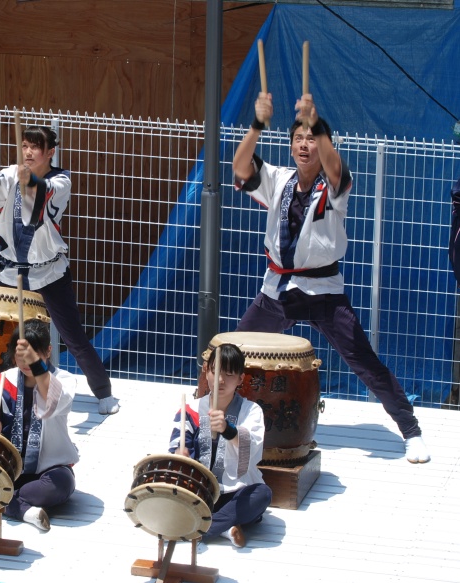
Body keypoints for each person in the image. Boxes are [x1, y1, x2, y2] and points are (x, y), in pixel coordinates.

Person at [231, 91, 430, 464]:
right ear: (290, 145)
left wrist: (317, 122)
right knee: (234, 353)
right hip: (278, 290)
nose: (305, 145)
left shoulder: (333, 186)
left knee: (365, 362)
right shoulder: (278, 179)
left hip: (324, 292)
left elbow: (335, 167)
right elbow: (240, 166)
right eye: (298, 138)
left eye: (311, 138)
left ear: (322, 144)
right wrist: (257, 124)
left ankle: (411, 430)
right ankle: (213, 421)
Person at [0, 125, 119, 415]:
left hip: (49, 273)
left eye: (35, 147)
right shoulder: (12, 172)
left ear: (50, 152)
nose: (28, 152)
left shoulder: (61, 180)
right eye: (24, 146)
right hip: (11, 271)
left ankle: (103, 392)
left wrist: (28, 181)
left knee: (73, 336)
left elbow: (41, 201)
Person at [0, 320, 79, 531]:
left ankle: (2, 502)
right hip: (6, 466)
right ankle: (22, 507)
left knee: (62, 484)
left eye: (34, 354)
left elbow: (53, 402)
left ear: (48, 351)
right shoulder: (2, 380)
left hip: (49, 470)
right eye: (21, 355)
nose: (26, 361)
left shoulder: (64, 379)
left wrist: (36, 364)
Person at [168, 344, 272, 548]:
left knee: (262, 494)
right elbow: (177, 444)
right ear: (206, 371)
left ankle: (199, 529)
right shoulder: (191, 409)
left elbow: (252, 447)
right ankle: (224, 527)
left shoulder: (251, 411)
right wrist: (180, 455)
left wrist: (228, 429)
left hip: (235, 492)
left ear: (240, 379)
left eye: (229, 374)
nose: (221, 380)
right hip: (199, 491)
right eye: (215, 372)